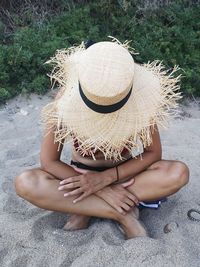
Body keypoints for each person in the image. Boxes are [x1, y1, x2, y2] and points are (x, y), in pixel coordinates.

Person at [14, 39, 189, 239]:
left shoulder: (141, 101)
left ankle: (85, 208)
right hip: (78, 175)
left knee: (178, 172)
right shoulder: (64, 101)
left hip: (125, 177)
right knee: (26, 182)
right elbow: (49, 161)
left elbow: (153, 153)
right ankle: (120, 213)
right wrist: (99, 189)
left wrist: (107, 179)